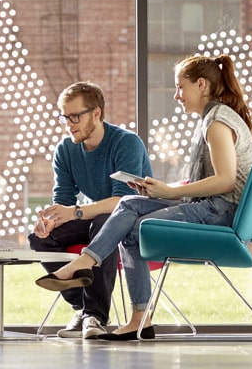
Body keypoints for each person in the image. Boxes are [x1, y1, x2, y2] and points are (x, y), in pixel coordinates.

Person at [35, 54, 252, 341]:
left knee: (137, 227)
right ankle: (123, 302)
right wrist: (162, 189)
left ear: (201, 85)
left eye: (180, 87)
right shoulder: (211, 119)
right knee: (129, 203)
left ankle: (128, 307)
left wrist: (171, 192)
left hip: (222, 211)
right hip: (209, 205)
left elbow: (225, 181)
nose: (176, 95)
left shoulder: (217, 122)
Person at [28, 81, 152, 339]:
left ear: (96, 113)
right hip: (97, 216)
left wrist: (74, 212)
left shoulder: (126, 143)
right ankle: (83, 308)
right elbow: (63, 197)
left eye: (75, 116)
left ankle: (95, 315)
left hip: (135, 220)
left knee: (104, 221)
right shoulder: (65, 149)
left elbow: (124, 200)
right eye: (65, 117)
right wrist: (52, 220)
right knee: (39, 237)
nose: (69, 123)